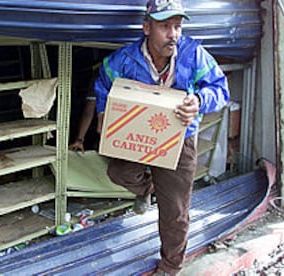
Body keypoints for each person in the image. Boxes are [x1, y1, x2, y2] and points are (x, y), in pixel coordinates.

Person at [94, 0, 230, 275]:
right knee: (119, 172)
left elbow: (221, 89)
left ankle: (170, 266)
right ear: (147, 28)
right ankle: (148, 189)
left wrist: (200, 101)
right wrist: (102, 112)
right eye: (165, 26)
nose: (174, 34)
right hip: (138, 137)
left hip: (179, 140)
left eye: (178, 26)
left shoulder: (194, 54)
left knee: (175, 211)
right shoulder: (123, 60)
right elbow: (103, 84)